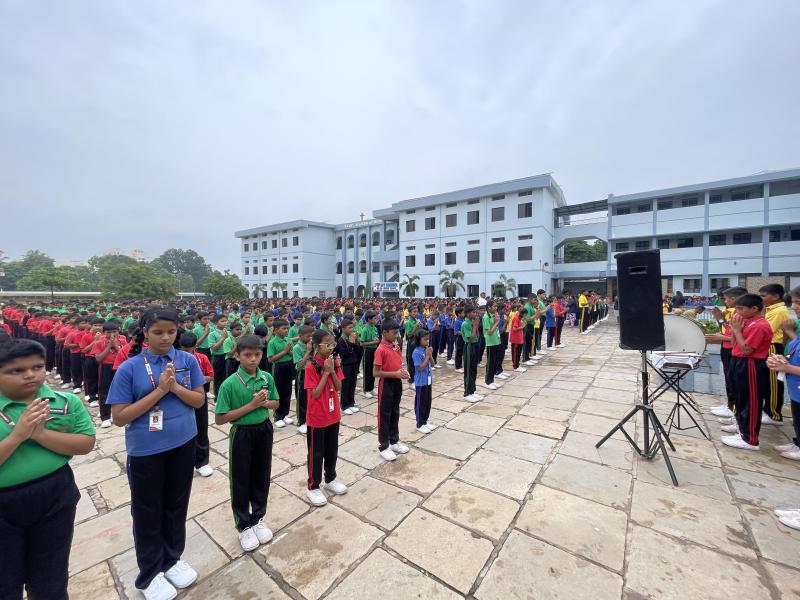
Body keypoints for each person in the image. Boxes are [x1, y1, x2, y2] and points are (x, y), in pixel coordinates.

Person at [107, 307, 206, 599]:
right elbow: (120, 417)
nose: (165, 338)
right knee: (148, 510)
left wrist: (174, 388)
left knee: (177, 504)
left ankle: (172, 558)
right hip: (147, 450)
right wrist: (160, 391)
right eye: (158, 332)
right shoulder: (130, 367)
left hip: (183, 442)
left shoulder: (187, 360)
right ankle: (150, 573)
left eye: (171, 332)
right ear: (145, 333)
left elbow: (199, 401)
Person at [0, 338, 96, 599]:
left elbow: (85, 443)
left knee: (51, 574)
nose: (30, 375)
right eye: (16, 370)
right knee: (5, 580)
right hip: (4, 502)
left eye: (37, 367)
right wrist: (17, 435)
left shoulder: (65, 402)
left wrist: (39, 434)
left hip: (56, 494)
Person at [214, 334, 279, 551]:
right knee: (241, 478)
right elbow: (220, 418)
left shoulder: (266, 377)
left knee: (262, 474)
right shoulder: (229, 384)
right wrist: (252, 405)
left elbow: (276, 403)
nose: (253, 359)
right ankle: (243, 525)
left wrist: (265, 403)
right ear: (238, 356)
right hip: (242, 433)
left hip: (264, 430)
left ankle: (258, 517)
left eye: (257, 354)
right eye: (247, 355)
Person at [720, 294, 773, 451]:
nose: (738, 312)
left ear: (754, 308)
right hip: (738, 360)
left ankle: (750, 439)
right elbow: (733, 342)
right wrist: (734, 329)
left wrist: (737, 331)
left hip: (750, 363)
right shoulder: (746, 321)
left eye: (741, 309)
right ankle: (742, 429)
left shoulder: (760, 325)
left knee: (751, 401)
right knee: (740, 397)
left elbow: (747, 350)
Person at [304, 329, 348, 506]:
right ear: (316, 345)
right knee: (316, 453)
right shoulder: (311, 366)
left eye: (332, 344)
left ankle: (330, 479)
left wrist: (332, 370)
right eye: (327, 344)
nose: (331, 348)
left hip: (333, 414)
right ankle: (313, 486)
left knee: (332, 450)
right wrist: (326, 372)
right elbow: (315, 393)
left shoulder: (334, 361)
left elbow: (338, 387)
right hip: (318, 417)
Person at [767, 286, 800, 467]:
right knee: (797, 413)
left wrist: (786, 367)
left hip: (795, 374)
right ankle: (797, 442)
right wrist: (785, 360)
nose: (794, 307)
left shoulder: (778, 312)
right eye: (794, 302)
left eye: (798, 303)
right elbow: (795, 344)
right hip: (795, 382)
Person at [707, 287, 747, 421]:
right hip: (727, 347)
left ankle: (733, 408)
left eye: (725, 299)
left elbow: (738, 336)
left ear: (734, 299)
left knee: (734, 380)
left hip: (733, 348)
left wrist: (721, 337)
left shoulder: (740, 314)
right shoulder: (731, 311)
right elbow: (726, 328)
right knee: (729, 378)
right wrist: (719, 318)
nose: (724, 301)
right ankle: (731, 405)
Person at [178, 331, 215, 477]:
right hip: (180, 397)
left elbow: (210, 376)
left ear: (195, 346)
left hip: (198, 395)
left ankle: (202, 462)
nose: (187, 353)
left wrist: (195, 379)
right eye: (184, 350)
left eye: (190, 350)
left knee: (201, 427)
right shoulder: (174, 359)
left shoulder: (202, 358)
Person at [373, 320, 410, 461]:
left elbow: (397, 364)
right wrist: (395, 374)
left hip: (397, 383)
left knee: (395, 411)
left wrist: (402, 372)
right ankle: (384, 446)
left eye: (397, 333)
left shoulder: (396, 347)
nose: (396, 336)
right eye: (394, 333)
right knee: (385, 414)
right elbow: (376, 372)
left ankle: (394, 441)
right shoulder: (380, 349)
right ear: (385, 332)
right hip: (386, 384)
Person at [760, 283, 790, 424]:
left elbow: (766, 330)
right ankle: (768, 409)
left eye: (764, 296)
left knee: (774, 382)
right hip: (768, 346)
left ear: (776, 296)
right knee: (767, 381)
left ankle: (774, 414)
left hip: (773, 346)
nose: (761, 298)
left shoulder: (778, 311)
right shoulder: (770, 309)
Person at [95, 320, 127, 428]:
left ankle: (118, 413)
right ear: (104, 332)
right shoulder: (99, 342)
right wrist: (109, 346)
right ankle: (105, 417)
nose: (112, 334)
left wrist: (116, 346)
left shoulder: (123, 341)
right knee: (104, 391)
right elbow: (98, 358)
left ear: (118, 331)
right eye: (108, 332)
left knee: (120, 391)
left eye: (114, 331)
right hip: (106, 367)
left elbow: (125, 355)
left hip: (119, 367)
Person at [267, 318, 295, 428]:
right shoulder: (272, 342)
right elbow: (270, 359)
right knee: (278, 391)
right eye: (284, 328)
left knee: (288, 391)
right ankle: (278, 416)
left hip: (289, 366)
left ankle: (285, 414)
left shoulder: (288, 340)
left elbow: (292, 354)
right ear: (275, 330)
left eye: (287, 328)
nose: (286, 330)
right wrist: (285, 352)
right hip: (278, 367)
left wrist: (289, 352)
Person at [412, 329, 435, 434]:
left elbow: (433, 364)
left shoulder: (426, 350)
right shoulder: (416, 352)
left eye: (428, 339)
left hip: (428, 380)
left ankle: (425, 421)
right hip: (421, 382)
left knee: (427, 402)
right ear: (419, 340)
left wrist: (430, 354)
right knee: (420, 403)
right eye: (425, 339)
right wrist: (427, 355)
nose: (427, 341)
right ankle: (419, 424)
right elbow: (420, 368)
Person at [336, 318, 360, 415]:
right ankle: (344, 405)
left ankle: (351, 403)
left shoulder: (352, 337)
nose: (351, 330)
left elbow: (357, 351)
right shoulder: (340, 340)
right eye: (349, 328)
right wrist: (350, 343)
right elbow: (344, 353)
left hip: (354, 363)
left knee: (353, 383)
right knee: (345, 385)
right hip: (346, 365)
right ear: (343, 329)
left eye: (352, 327)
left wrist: (356, 342)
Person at [293, 325, 314, 435]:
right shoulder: (297, 348)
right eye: (307, 336)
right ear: (300, 336)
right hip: (302, 374)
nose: (309, 338)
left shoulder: (310, 345)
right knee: (302, 399)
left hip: (311, 373)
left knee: (310, 397)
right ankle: (301, 422)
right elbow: (299, 365)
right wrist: (308, 351)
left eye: (310, 336)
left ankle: (310, 418)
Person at [461, 305, 482, 403]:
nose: (475, 314)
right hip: (469, 346)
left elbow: (477, 335)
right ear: (467, 313)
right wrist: (475, 326)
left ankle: (472, 391)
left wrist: (476, 326)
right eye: (473, 312)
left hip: (475, 346)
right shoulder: (465, 323)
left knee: (474, 370)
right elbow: (471, 338)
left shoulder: (472, 322)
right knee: (468, 371)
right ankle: (467, 393)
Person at [482, 300, 502, 390]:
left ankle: (491, 380)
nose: (496, 308)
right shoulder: (486, 317)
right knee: (490, 362)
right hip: (491, 342)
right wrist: (496, 322)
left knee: (494, 362)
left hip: (496, 340)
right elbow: (489, 332)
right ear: (489, 307)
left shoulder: (493, 315)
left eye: (496, 306)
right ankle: (487, 381)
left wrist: (496, 321)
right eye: (494, 306)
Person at [208, 314, 229, 395]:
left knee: (227, 377)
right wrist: (223, 338)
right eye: (222, 321)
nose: (225, 322)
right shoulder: (212, 334)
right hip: (218, 357)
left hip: (227, 356)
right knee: (218, 379)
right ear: (216, 323)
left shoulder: (228, 332)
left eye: (226, 321)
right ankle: (217, 397)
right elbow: (213, 348)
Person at [360, 311, 379, 399]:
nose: (376, 320)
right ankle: (366, 390)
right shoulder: (365, 329)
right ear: (369, 319)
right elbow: (362, 343)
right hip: (367, 351)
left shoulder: (374, 328)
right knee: (367, 371)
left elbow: (376, 338)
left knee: (373, 369)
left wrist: (377, 341)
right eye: (374, 318)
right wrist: (373, 342)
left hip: (375, 350)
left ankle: (371, 388)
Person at [509, 303, 526, 373]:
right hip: (515, 339)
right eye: (525, 314)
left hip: (519, 338)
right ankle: (515, 366)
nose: (525, 316)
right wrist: (522, 326)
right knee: (515, 353)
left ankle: (517, 365)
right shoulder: (516, 318)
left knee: (519, 353)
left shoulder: (520, 318)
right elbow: (514, 328)